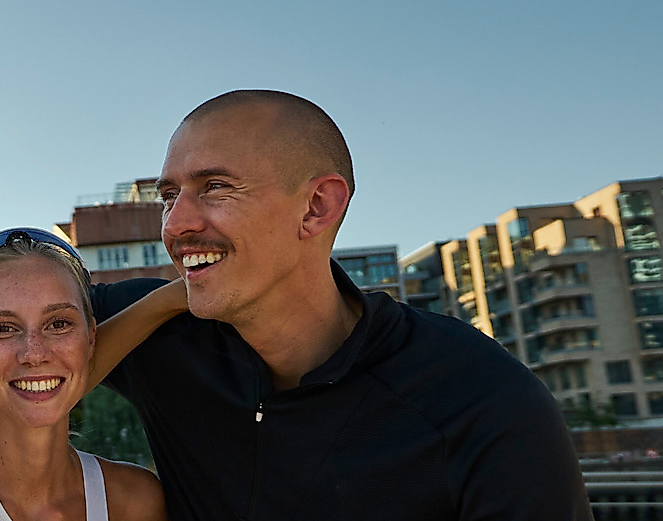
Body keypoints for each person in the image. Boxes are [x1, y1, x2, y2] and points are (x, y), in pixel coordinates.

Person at [87, 90, 592, 520]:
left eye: (215, 187)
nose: (175, 224)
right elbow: (12, 328)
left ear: (316, 208)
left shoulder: (481, 402)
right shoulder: (159, 330)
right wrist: (158, 307)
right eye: (169, 196)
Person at [0, 228, 170, 521]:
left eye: (58, 324)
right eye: (3, 328)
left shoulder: (134, 503)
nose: (34, 354)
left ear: (90, 339)